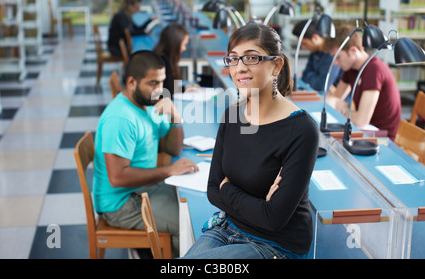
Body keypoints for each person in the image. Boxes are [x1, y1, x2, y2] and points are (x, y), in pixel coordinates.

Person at [182, 23, 320, 259]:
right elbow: (213, 190)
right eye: (233, 59)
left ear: (276, 65)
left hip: (275, 246)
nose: (240, 68)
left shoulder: (302, 129)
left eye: (252, 58)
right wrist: (257, 206)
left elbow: (273, 219)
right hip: (227, 228)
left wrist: (229, 189)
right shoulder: (232, 115)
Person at [93, 50, 198, 258]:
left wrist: (176, 118)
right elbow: (118, 178)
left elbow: (173, 149)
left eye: (161, 82)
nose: (159, 90)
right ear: (132, 82)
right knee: (188, 225)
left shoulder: (147, 106)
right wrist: (168, 170)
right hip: (120, 203)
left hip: (143, 188)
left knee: (193, 209)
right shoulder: (120, 119)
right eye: (153, 83)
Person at [324, 25, 402, 140]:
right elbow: (334, 99)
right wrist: (342, 107)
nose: (335, 63)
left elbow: (361, 120)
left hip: (380, 137)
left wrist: (344, 109)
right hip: (363, 130)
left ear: (353, 51)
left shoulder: (374, 69)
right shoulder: (351, 68)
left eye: (338, 57)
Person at [292, 19, 342, 92]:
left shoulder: (331, 54)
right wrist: (315, 77)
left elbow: (322, 86)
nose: (303, 47)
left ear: (315, 37)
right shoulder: (315, 52)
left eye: (305, 43)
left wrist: (311, 76)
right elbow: (305, 75)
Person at [153, 23, 190, 97]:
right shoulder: (164, 63)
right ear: (175, 44)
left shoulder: (159, 56)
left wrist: (185, 88)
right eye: (183, 45)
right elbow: (167, 93)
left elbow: (168, 87)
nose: (184, 48)